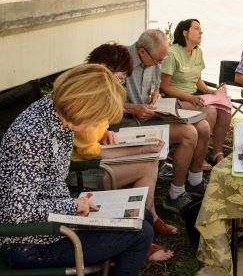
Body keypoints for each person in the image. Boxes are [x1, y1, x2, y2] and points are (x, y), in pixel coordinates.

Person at [0, 64, 155, 275]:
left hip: (55, 223)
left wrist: (73, 206)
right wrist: (72, 206)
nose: (99, 123)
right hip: (30, 242)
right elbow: (18, 213)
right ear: (82, 108)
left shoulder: (58, 114)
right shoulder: (33, 135)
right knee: (141, 232)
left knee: (142, 216)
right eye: (98, 116)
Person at [76, 43, 178, 242]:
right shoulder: (86, 100)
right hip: (82, 171)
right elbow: (94, 153)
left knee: (149, 160)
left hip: (93, 161)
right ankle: (141, 227)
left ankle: (143, 224)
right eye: (121, 79)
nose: (120, 84)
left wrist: (104, 132)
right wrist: (140, 149)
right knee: (147, 162)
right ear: (105, 70)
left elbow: (96, 130)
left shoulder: (96, 92)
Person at [121, 29, 211, 214]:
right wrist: (133, 108)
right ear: (142, 52)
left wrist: (156, 94)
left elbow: (155, 87)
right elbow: (105, 103)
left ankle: (194, 181)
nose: (161, 63)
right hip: (126, 123)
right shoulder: (120, 62)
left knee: (203, 126)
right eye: (158, 60)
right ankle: (175, 195)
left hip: (149, 116)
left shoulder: (153, 61)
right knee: (189, 133)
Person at [160, 19, 232, 166]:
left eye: (201, 29)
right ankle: (199, 157)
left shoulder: (198, 52)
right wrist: (190, 97)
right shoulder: (172, 54)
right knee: (210, 111)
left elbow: (197, 79)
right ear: (185, 33)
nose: (201, 32)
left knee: (225, 110)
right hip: (175, 100)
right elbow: (164, 86)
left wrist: (208, 91)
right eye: (197, 28)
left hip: (194, 96)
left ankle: (216, 152)